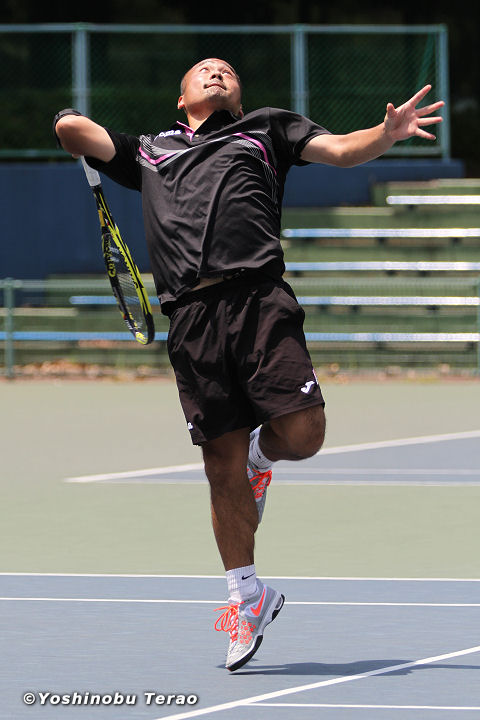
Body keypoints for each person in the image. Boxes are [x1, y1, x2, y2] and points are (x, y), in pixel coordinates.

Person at [53, 58, 443, 672]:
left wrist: (385, 134)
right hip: (191, 318)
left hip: (259, 299)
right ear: (180, 97)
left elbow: (343, 150)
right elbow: (75, 132)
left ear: (238, 95)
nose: (216, 72)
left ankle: (263, 457)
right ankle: (246, 595)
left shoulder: (266, 129)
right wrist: (67, 119)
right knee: (219, 466)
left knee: (304, 434)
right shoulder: (148, 152)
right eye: (203, 70)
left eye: (227, 70)